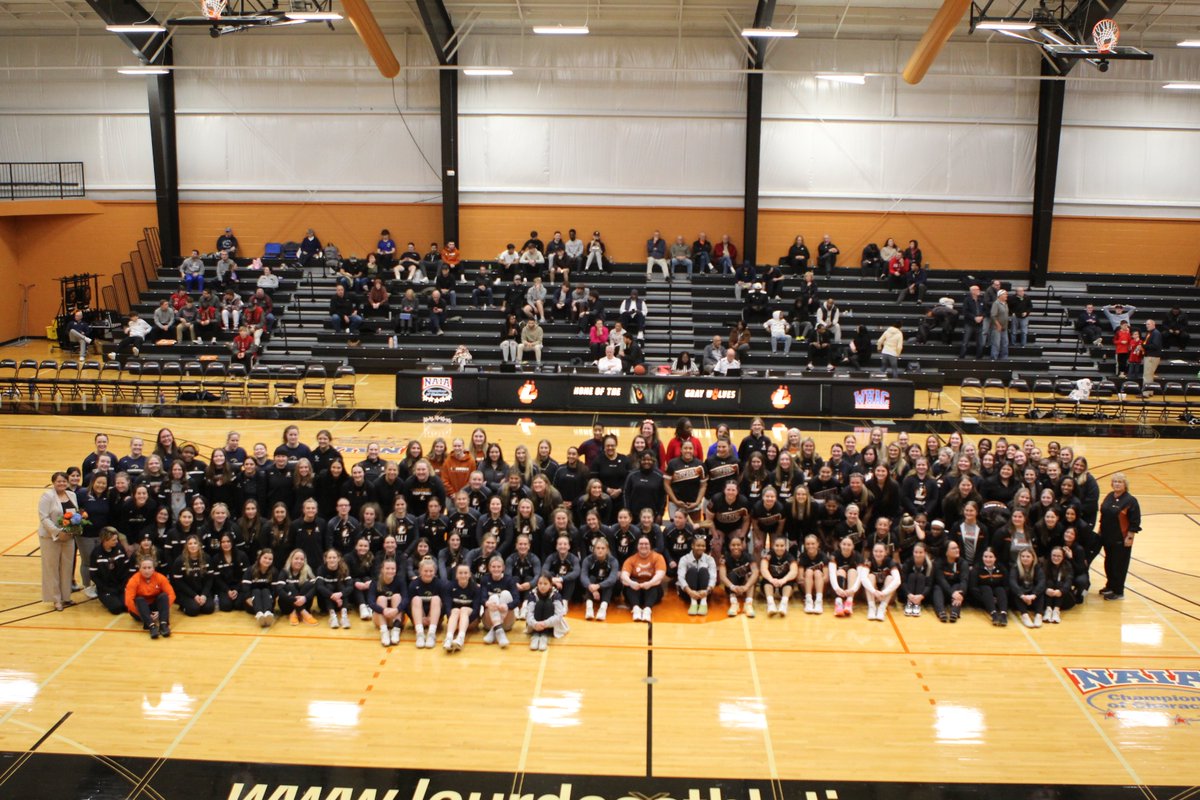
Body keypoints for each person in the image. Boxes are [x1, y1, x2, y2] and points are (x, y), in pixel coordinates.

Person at [39, 472, 79, 611]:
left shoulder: (72, 495)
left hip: (68, 537)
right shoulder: (47, 496)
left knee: (67, 567)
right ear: (53, 482)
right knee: (52, 568)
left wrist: (73, 530)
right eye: (59, 481)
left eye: (64, 481)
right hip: (51, 538)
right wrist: (57, 532)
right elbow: (44, 518)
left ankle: (66, 597)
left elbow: (76, 515)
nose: (62, 484)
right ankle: (56, 599)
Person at [1097, 472, 1140, 601]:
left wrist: (1130, 537)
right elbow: (1103, 515)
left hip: (1121, 539)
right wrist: (1100, 530)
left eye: (1119, 482)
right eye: (1115, 481)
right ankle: (1110, 585)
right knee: (1109, 563)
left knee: (1119, 565)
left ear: (1125, 485)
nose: (1116, 484)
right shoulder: (1110, 496)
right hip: (1107, 536)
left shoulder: (1130, 500)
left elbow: (1135, 521)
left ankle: (1118, 591)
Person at [126, 555, 176, 638]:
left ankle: (163, 624)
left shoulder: (160, 578)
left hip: (154, 608)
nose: (147, 571)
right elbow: (128, 601)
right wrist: (144, 614)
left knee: (163, 596)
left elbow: (172, 595)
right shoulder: (134, 580)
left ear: (153, 568)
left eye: (149, 568)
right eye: (144, 568)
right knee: (139, 599)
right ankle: (151, 626)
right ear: (139, 568)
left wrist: (160, 612)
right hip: (140, 609)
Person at [621, 536, 666, 622]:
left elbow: (660, 575)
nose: (643, 546)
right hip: (636, 591)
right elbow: (624, 576)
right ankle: (636, 609)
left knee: (654, 583)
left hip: (652, 592)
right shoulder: (631, 559)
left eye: (646, 544)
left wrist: (649, 583)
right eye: (641, 544)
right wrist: (631, 583)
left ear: (650, 546)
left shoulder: (658, 557)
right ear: (637, 546)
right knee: (630, 583)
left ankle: (647, 610)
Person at [525, 573, 568, 650]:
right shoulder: (533, 594)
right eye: (540, 583)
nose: (542, 586)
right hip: (535, 624)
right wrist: (535, 624)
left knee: (548, 603)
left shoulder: (555, 595)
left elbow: (559, 615)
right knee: (540, 603)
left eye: (545, 583)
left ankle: (545, 635)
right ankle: (535, 635)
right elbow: (529, 613)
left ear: (551, 585)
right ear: (537, 584)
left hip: (550, 625)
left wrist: (545, 623)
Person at [581, 538, 620, 621]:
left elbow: (613, 578)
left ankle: (603, 608)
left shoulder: (613, 561)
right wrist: (591, 587)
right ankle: (589, 607)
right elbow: (583, 576)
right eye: (598, 548)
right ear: (594, 549)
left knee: (609, 580)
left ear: (607, 550)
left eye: (603, 548)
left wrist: (598, 586)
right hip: (592, 588)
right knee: (590, 578)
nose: (600, 550)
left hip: (606, 589)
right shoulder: (588, 560)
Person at [719, 535, 759, 617]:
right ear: (729, 546)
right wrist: (732, 587)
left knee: (750, 574)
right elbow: (722, 576)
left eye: (738, 545)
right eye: (733, 545)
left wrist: (746, 587)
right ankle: (734, 603)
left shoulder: (749, 556)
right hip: (732, 587)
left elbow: (756, 572)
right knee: (732, 573)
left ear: (742, 546)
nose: (736, 547)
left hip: (745, 586)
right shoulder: (725, 558)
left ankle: (748, 603)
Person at [861, 541, 901, 621]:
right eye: (875, 551)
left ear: (886, 552)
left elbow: (898, 580)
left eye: (881, 551)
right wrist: (874, 591)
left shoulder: (890, 562)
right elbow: (863, 578)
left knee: (890, 578)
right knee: (870, 576)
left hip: (886, 596)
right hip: (872, 594)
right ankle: (871, 608)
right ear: (872, 552)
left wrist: (883, 593)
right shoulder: (869, 561)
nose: (878, 554)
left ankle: (882, 608)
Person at [760, 536, 797, 616]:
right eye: (777, 545)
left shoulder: (789, 556)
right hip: (770, 584)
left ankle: (784, 604)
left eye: (782, 546)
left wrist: (784, 580)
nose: (779, 548)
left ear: (785, 546)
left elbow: (794, 571)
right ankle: (770, 604)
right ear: (773, 546)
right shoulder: (768, 555)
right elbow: (763, 569)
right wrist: (771, 579)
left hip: (783, 585)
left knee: (789, 581)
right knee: (766, 580)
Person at [1010, 548, 1046, 628]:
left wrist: (1034, 595)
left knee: (1041, 592)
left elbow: (1042, 582)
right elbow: (1013, 582)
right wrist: (1022, 595)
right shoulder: (1015, 567)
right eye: (1022, 556)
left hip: (1032, 595)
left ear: (1033, 557)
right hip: (1021, 596)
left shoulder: (1038, 567)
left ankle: (1039, 615)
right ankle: (1024, 615)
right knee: (1016, 592)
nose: (1025, 558)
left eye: (1028, 556)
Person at [959, 284, 986, 358]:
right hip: (969, 323)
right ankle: (962, 356)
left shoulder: (981, 300)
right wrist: (974, 317)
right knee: (965, 341)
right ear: (972, 291)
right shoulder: (967, 300)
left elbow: (985, 310)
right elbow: (965, 312)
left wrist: (982, 317)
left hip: (979, 323)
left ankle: (979, 356)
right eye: (977, 289)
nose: (979, 291)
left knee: (980, 342)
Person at [989, 288, 1010, 361]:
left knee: (1005, 343)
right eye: (1005, 294)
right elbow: (993, 315)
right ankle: (994, 358)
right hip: (997, 328)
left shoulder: (1005, 303)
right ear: (1000, 295)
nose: (1006, 295)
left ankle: (1004, 358)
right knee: (996, 344)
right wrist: (998, 325)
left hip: (1004, 327)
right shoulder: (996, 303)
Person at [1142, 319, 1163, 385]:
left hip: (1152, 356)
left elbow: (1155, 345)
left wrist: (1144, 346)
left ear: (1153, 325)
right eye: (1146, 324)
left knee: (1147, 375)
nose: (1146, 326)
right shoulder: (1150, 333)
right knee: (1149, 375)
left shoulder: (1156, 333)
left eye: (1148, 324)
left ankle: (1146, 393)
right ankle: (1149, 392)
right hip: (1149, 356)